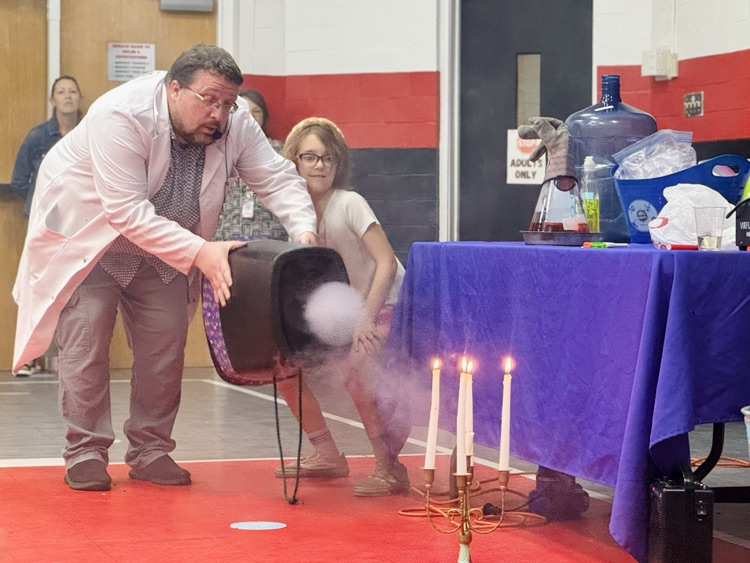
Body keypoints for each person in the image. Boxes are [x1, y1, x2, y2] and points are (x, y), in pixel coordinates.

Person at [12, 44, 317, 492]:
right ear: (174, 89)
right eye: (208, 100)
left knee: (165, 347)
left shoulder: (234, 123)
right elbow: (126, 211)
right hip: (93, 241)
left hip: (166, 249)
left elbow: (276, 178)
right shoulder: (121, 114)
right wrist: (202, 252)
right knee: (86, 346)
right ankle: (86, 452)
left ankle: (151, 450)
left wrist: (305, 233)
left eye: (228, 103)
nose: (219, 113)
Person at [274, 117, 411, 497]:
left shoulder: (350, 203)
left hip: (386, 305)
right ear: (294, 162)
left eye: (328, 158)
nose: (319, 165)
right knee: (282, 366)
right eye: (310, 157)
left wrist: (366, 318)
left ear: (338, 163)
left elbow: (386, 262)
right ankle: (327, 455)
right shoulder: (296, 215)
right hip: (345, 314)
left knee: (357, 368)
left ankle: (390, 468)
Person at [10, 75, 83, 377]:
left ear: (79, 97)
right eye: (61, 92)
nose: (67, 96)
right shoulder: (38, 136)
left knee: (78, 289)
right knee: (37, 287)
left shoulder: (91, 130)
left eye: (72, 91)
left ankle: (72, 356)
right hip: (45, 225)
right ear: (53, 100)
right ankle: (29, 357)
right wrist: (41, 202)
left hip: (81, 224)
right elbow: (19, 181)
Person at [214, 89, 287, 242]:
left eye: (256, 111)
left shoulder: (278, 149)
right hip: (228, 228)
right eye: (245, 111)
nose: (251, 116)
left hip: (267, 229)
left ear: (264, 117)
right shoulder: (219, 148)